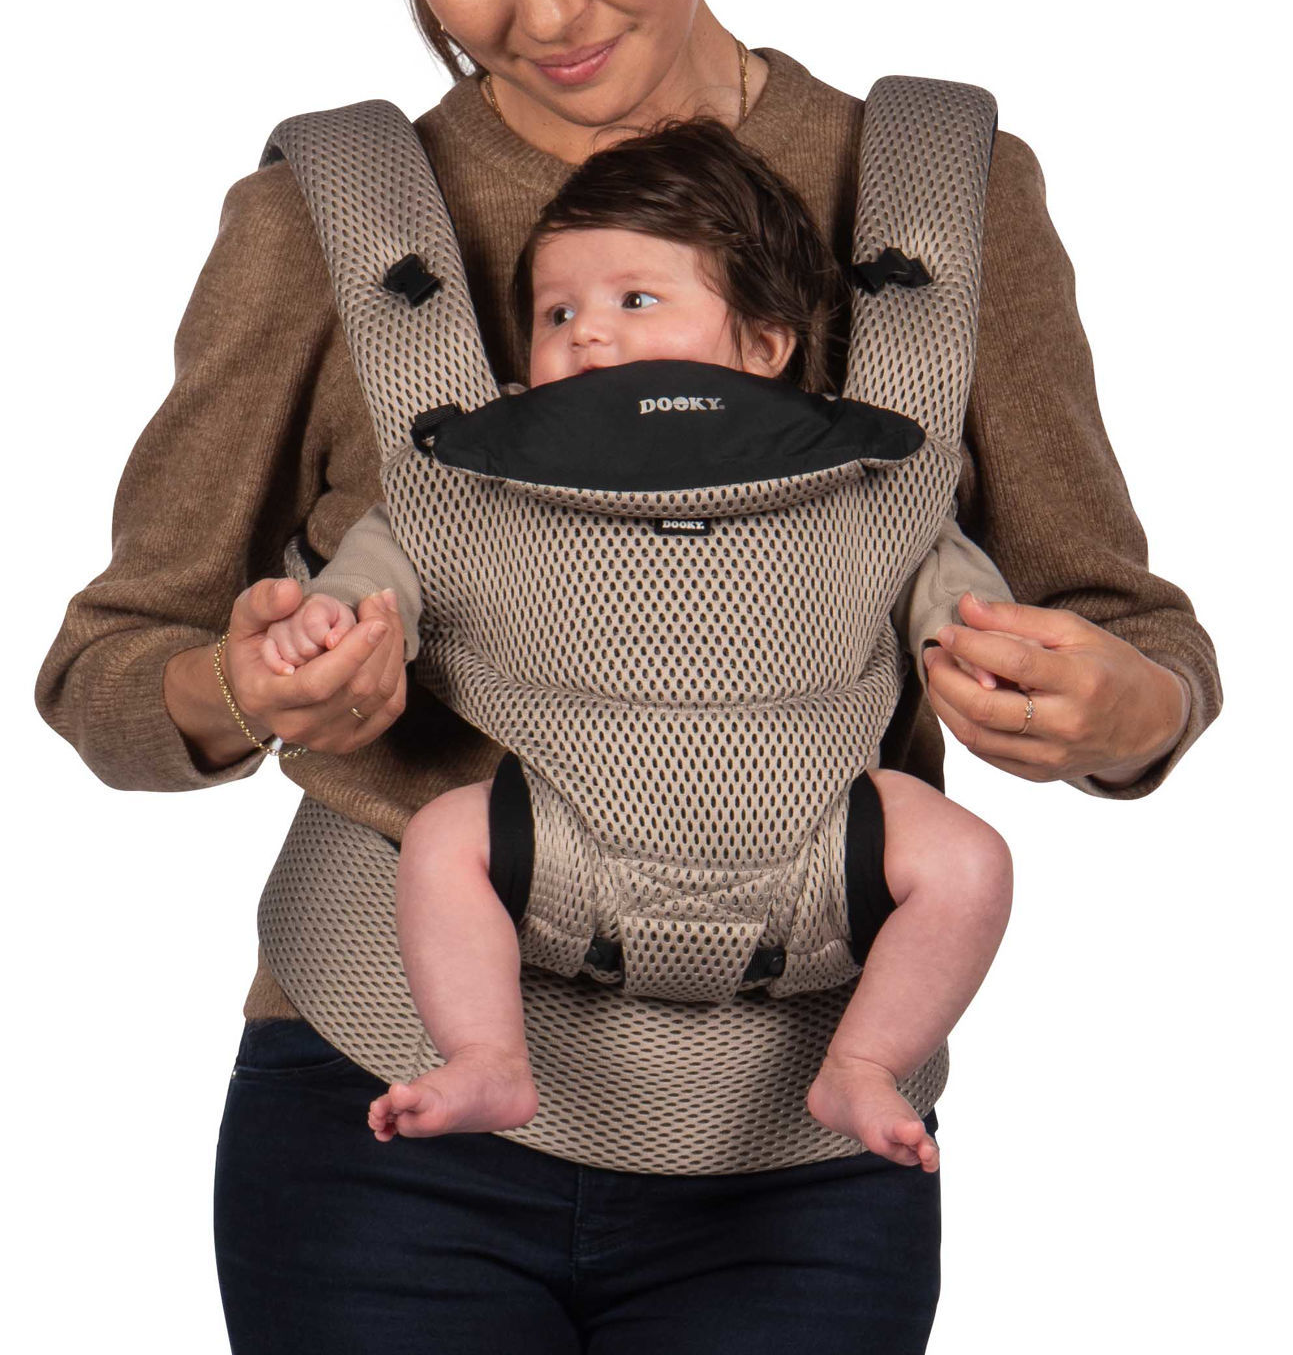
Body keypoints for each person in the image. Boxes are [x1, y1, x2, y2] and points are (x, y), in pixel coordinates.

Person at [35, 0, 1221, 1354]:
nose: (538, 11)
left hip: (805, 1142)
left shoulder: (938, 197)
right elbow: (108, 671)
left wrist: (1119, 709)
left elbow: (1130, 632)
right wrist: (246, 683)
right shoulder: (326, 222)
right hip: (383, 1113)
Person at [257, 117, 1015, 1173]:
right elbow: (384, 563)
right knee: (440, 841)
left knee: (969, 861)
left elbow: (950, 582)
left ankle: (864, 1060)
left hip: (823, 847)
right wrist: (332, 617)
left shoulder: (860, 468)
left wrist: (985, 650)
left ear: (765, 345)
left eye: (636, 302)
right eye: (557, 313)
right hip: (557, 839)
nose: (588, 337)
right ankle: (485, 1053)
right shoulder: (480, 467)